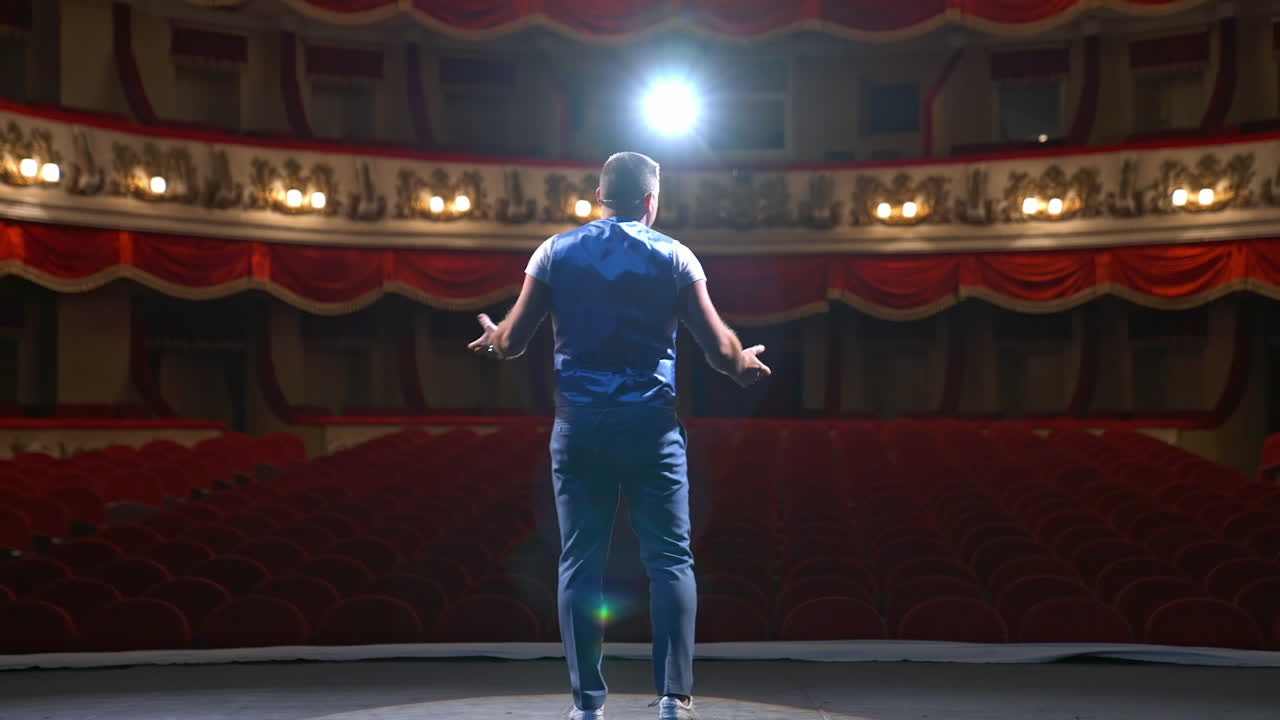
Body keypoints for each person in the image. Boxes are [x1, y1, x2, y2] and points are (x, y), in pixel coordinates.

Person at [468, 151, 771, 720]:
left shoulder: (553, 252)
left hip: (579, 428)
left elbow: (511, 342)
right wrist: (744, 363)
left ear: (599, 195)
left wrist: (494, 334)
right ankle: (675, 699)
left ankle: (587, 705)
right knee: (671, 561)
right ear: (652, 200)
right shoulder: (677, 256)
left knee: (581, 562)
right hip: (651, 428)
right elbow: (719, 350)